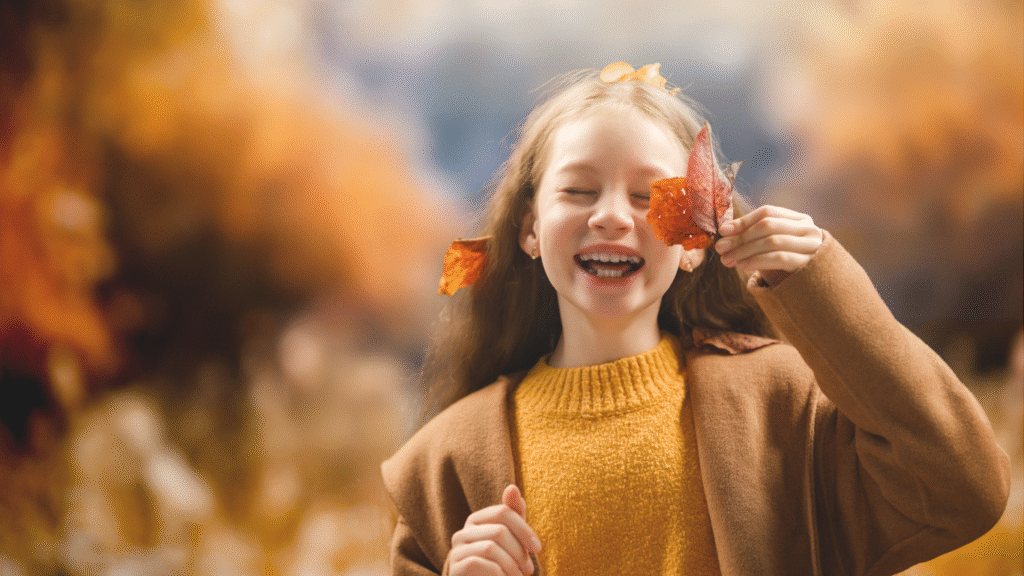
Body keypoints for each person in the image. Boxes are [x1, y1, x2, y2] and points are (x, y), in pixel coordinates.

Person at [381, 63, 1010, 576]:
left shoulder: (782, 411)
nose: (611, 216)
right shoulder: (444, 466)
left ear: (694, 245)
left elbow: (962, 487)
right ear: (529, 230)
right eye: (577, 191)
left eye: (650, 195)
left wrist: (823, 286)